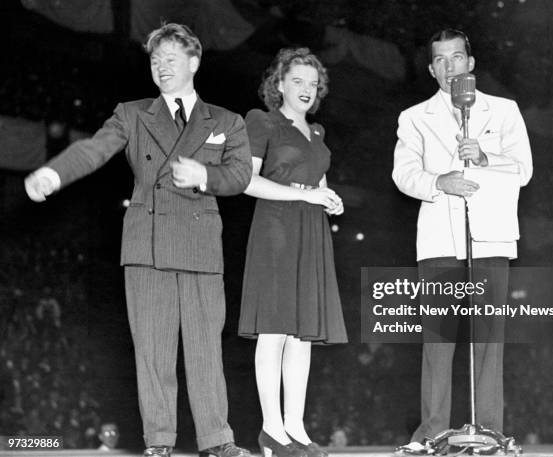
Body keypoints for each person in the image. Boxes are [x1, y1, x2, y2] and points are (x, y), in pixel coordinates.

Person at [24, 23, 252, 457]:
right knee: (153, 352)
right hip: (146, 246)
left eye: (170, 59)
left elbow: (240, 176)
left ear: (194, 62)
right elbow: (94, 148)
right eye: (154, 61)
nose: (161, 68)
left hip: (201, 247)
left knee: (205, 353)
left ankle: (218, 441)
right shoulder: (131, 113)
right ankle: (160, 443)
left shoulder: (227, 121)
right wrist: (54, 173)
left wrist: (206, 175)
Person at [392, 29, 533, 452]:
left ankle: (489, 432)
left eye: (457, 58)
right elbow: (403, 174)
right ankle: (431, 434)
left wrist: (486, 158)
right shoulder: (414, 117)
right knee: (438, 341)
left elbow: (523, 169)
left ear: (470, 64)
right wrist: (441, 181)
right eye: (440, 59)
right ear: (432, 68)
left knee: (489, 341)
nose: (450, 66)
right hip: (438, 239)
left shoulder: (504, 111)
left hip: (490, 238)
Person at [238, 48, 348, 457]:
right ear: (279, 84)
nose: (306, 90)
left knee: (301, 335)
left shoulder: (317, 133)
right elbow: (247, 182)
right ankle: (270, 430)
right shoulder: (262, 121)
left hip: (311, 231)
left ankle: (295, 428)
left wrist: (329, 198)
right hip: (276, 228)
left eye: (312, 84)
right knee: (274, 331)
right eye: (297, 81)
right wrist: (303, 194)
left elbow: (318, 181)